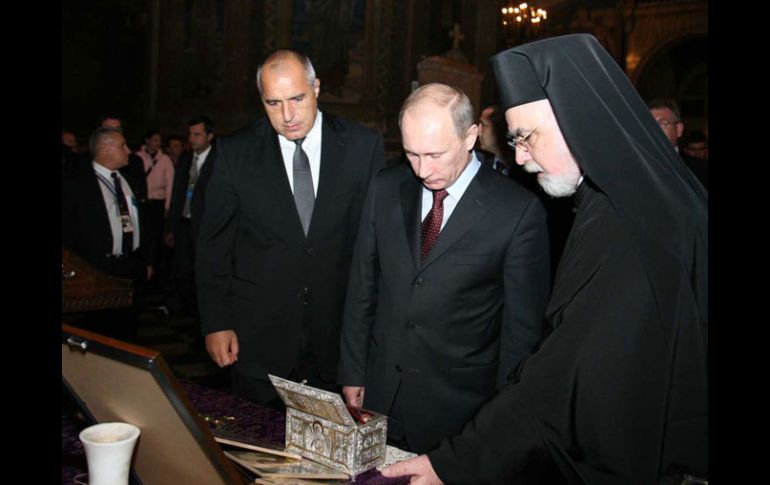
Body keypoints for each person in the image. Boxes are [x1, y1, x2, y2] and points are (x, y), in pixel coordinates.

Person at [382, 34, 707, 484]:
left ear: (578, 118)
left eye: (526, 137)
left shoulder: (627, 225)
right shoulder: (617, 201)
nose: (519, 156)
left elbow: (559, 380)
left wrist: (455, 461)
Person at [338, 83, 551, 454]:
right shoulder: (385, 188)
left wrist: (502, 420)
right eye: (412, 154)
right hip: (379, 392)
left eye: (435, 154)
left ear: (471, 136)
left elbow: (521, 335)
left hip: (460, 411)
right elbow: (362, 288)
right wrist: (353, 370)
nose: (423, 170)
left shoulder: (517, 212)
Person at [196, 49, 385, 407]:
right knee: (255, 451)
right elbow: (213, 246)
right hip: (257, 336)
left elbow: (372, 248)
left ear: (316, 87)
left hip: (335, 338)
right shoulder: (234, 153)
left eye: (296, 98)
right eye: (273, 103)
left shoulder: (362, 147)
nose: (287, 115)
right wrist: (215, 322)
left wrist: (365, 342)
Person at [62, 127, 152, 341]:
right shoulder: (78, 184)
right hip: (96, 271)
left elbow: (139, 220)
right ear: (105, 148)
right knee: (100, 334)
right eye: (122, 146)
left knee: (128, 332)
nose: (128, 150)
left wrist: (146, 259)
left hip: (130, 267)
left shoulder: (127, 178)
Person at [165, 116, 216, 319]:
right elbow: (177, 193)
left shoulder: (219, 160)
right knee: (182, 271)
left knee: (202, 273)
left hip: (204, 227)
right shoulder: (186, 159)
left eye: (197, 134)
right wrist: (170, 227)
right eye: (190, 134)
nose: (192, 139)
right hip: (183, 225)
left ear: (209, 136)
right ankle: (185, 313)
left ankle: (202, 316)